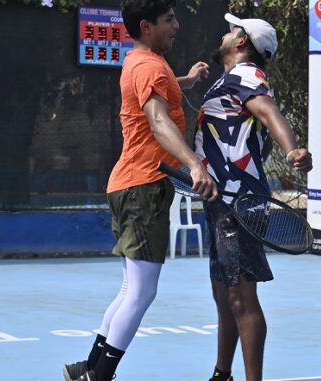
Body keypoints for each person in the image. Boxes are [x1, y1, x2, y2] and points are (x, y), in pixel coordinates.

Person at [62, 1, 218, 381]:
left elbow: (159, 91)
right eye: (169, 20)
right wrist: (195, 164)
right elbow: (159, 120)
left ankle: (88, 368)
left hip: (130, 185)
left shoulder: (142, 62)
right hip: (142, 187)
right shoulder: (149, 66)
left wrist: (186, 81)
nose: (176, 26)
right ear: (146, 26)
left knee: (130, 288)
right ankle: (99, 377)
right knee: (142, 293)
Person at [194, 13, 313, 381]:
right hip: (222, 201)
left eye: (233, 30)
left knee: (241, 300)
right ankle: (222, 374)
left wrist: (293, 150)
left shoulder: (247, 76)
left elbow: (268, 111)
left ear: (242, 42)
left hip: (238, 203)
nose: (227, 33)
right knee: (224, 298)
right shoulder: (228, 81)